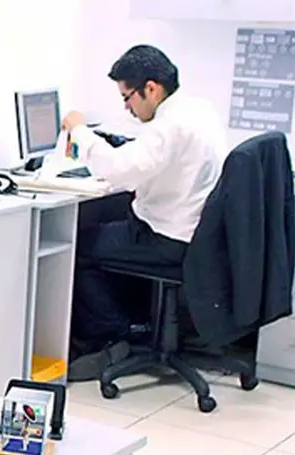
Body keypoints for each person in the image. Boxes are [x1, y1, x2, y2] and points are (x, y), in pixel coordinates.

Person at [60, 45, 227, 380]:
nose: (127, 107)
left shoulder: (170, 127)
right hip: (195, 234)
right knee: (108, 225)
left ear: (151, 89)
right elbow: (153, 151)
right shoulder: (199, 109)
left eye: (128, 97)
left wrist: (79, 130)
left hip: (167, 239)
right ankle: (124, 329)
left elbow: (120, 170)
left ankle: (108, 339)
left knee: (76, 250)